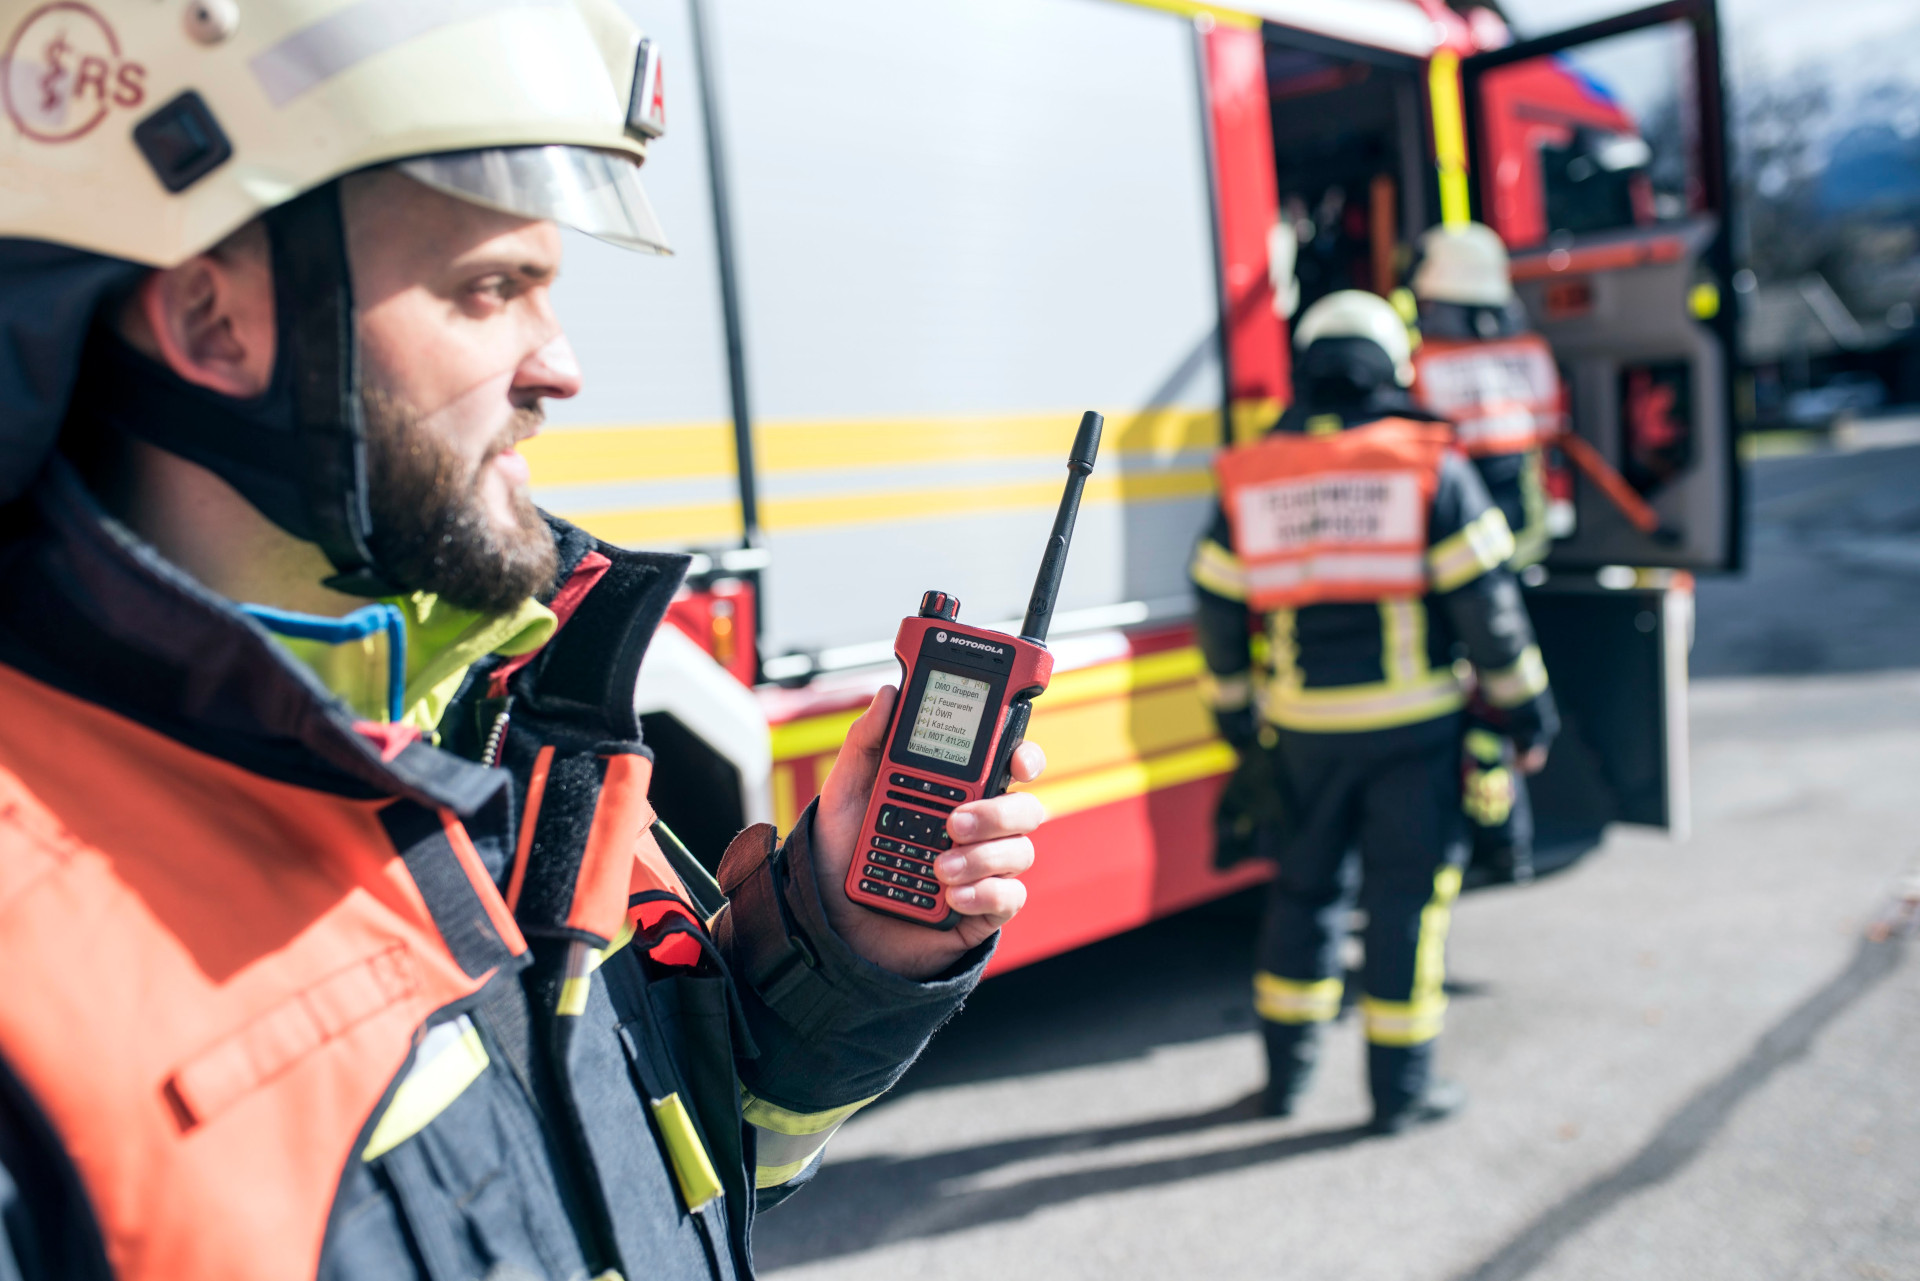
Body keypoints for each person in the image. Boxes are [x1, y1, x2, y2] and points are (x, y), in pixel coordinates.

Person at [0, 5, 1046, 1278]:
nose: (562, 369)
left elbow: (664, 1157)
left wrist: (843, 944)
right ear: (213, 325)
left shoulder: (497, 737)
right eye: (492, 288)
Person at [1190, 290, 1559, 1132]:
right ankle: (1402, 1092)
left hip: (1303, 736)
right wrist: (1527, 711)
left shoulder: (1255, 473)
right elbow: (1489, 612)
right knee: (1406, 905)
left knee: (1304, 899)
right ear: (1392, 366)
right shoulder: (1429, 464)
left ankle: (1285, 1083)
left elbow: (1216, 607)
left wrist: (1238, 717)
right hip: (1413, 735)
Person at [1409, 222, 1567, 882]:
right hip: (1518, 544)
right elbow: (1549, 432)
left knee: (1463, 697)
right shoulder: (1530, 351)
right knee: (1502, 691)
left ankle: (1482, 838)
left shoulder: (1421, 363)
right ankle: (1510, 843)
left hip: (1452, 552)